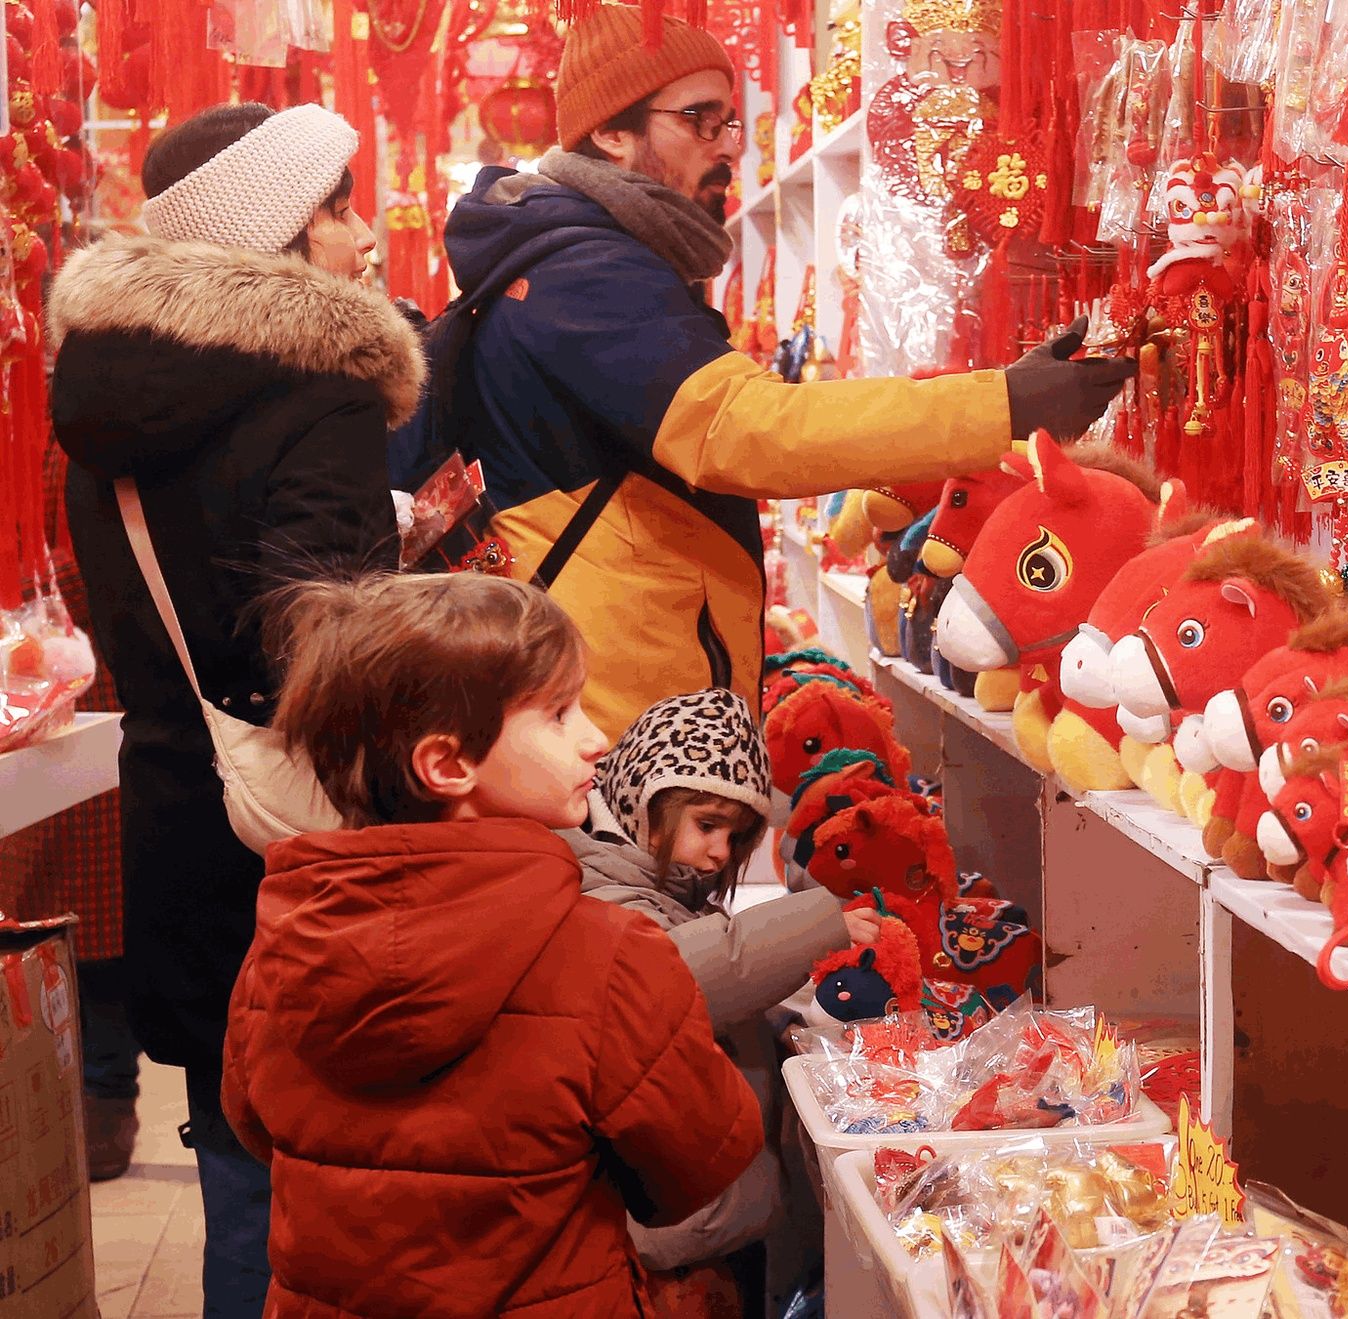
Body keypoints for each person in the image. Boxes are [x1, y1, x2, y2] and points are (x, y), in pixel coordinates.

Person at [394, 4, 1136, 740]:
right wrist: (1003, 405)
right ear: (611, 134)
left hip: (611, 686)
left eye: (731, 123)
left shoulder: (578, 258)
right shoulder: (587, 274)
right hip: (612, 716)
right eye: (699, 120)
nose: (728, 147)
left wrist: (1004, 396)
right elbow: (745, 430)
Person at [48, 101, 411, 1315]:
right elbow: (320, 644)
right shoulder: (321, 395)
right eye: (341, 208)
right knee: (335, 1184)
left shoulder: (112, 400)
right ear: (281, 229)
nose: (365, 236)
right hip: (307, 835)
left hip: (180, 811)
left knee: (238, 1165)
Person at [223, 572, 762, 1317]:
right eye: (559, 713)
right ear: (448, 764)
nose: (596, 738)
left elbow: (256, 1124)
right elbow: (696, 1164)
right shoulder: (609, 955)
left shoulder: (282, 946)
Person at [563, 687, 881, 1314]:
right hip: (671, 1227)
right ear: (641, 803)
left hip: (698, 1207)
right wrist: (820, 925)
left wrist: (784, 1024)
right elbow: (684, 974)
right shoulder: (602, 892)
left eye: (735, 838)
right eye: (706, 825)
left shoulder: (659, 893)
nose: (719, 852)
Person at [0, 446, 142, 1182]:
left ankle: (107, 1092)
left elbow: (89, 575)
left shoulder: (70, 442)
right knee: (41, 918)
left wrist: (27, 601)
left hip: (84, 699)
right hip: (30, 707)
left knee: (93, 928)